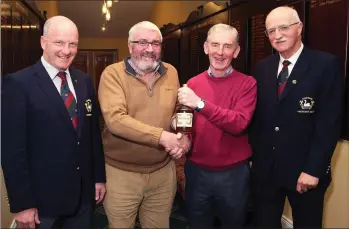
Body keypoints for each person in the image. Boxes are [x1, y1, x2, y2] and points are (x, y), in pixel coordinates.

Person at [1, 16, 106, 229]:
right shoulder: (18, 84)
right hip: (42, 205)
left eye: (73, 44)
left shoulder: (84, 81)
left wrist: (98, 178)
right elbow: (12, 151)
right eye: (59, 42)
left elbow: (92, 135)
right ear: (43, 42)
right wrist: (22, 204)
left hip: (82, 198)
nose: (66, 50)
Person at [249, 6, 342, 228]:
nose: (277, 35)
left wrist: (313, 170)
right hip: (266, 174)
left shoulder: (325, 65)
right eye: (271, 30)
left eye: (283, 28)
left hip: (305, 174)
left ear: (299, 28)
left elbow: (329, 123)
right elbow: (258, 118)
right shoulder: (262, 67)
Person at [98, 21, 190, 229]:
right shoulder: (112, 74)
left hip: (163, 173)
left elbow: (177, 110)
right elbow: (116, 120)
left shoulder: (171, 72)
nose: (150, 49)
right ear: (130, 46)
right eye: (142, 43)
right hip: (121, 174)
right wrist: (162, 137)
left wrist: (181, 134)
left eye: (155, 43)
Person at [177, 23, 257, 228]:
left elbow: (238, 123)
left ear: (236, 51)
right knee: (197, 224)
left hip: (233, 175)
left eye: (227, 46)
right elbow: (188, 124)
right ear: (205, 48)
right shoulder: (192, 84)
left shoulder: (247, 84)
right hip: (197, 172)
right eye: (215, 45)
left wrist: (200, 104)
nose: (220, 53)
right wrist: (180, 133)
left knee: (234, 224)